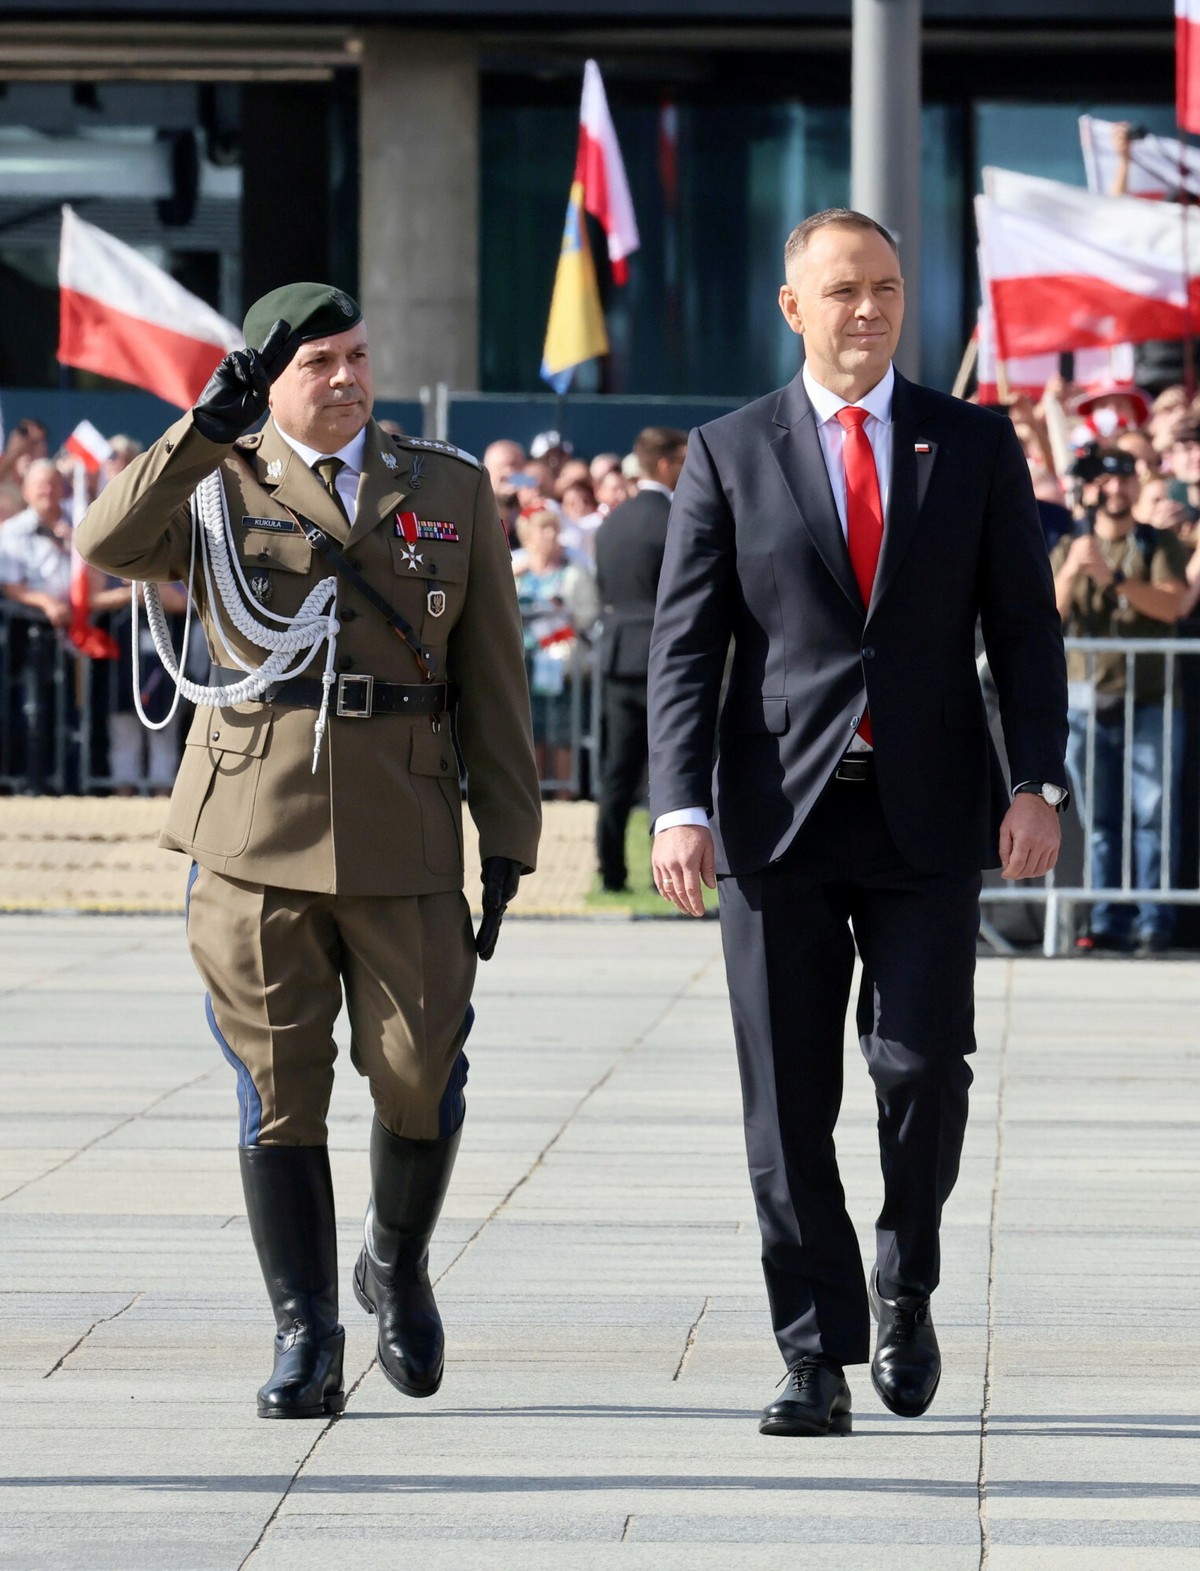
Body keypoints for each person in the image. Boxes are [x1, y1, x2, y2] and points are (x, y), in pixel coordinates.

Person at [78, 283, 541, 1420]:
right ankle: (306, 1330)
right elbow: (106, 542)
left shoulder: (446, 487)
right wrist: (202, 428)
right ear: (264, 379)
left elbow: (493, 678)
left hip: (407, 823)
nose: (344, 378)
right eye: (316, 363)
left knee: (420, 1074)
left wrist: (511, 836)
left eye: (356, 356)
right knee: (280, 1090)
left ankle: (397, 1259)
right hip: (254, 828)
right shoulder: (213, 479)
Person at [648, 210, 1068, 1438]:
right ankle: (813, 1348)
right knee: (786, 1096)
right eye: (842, 290)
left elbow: (1025, 630)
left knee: (923, 1067)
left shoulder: (974, 442)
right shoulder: (729, 453)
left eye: (885, 288)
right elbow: (686, 649)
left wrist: (1036, 780)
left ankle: (906, 1275)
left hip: (932, 815)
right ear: (794, 308)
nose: (867, 310)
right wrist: (678, 806)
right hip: (778, 823)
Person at [1051, 447, 1188, 954]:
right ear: (1090, 490)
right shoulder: (1071, 545)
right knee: (1101, 819)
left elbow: (1173, 604)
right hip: (1086, 703)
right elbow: (1046, 612)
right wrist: (1074, 571)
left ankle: (1154, 920)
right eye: (1106, 482)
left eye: (1126, 480)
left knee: (1153, 815)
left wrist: (1114, 579)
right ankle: (1108, 917)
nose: (1116, 490)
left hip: (1149, 699)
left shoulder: (1157, 543)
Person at [593, 426, 687, 891]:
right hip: (662, 658)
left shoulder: (613, 520)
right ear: (666, 464)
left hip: (618, 656)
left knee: (617, 772)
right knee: (666, 769)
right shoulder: (676, 519)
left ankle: (611, 872)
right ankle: (662, 877)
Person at [512, 506, 599, 791]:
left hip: (561, 663)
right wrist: (512, 574)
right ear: (528, 535)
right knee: (530, 727)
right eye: (543, 528)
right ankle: (533, 791)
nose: (551, 534)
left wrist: (567, 611)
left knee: (563, 727)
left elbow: (588, 614)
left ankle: (564, 791)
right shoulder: (514, 569)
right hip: (524, 661)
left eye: (554, 527)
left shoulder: (574, 571)